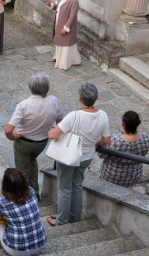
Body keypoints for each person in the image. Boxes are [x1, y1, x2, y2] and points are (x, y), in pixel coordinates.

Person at [46, 83, 110, 226]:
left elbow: (53, 135)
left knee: (64, 188)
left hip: (69, 158)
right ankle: (74, 218)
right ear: (96, 98)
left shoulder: (74, 116)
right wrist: (95, 143)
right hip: (86, 157)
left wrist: (51, 129)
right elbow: (106, 140)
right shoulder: (103, 115)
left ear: (80, 97)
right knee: (77, 186)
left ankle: (62, 220)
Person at [4, 74, 65, 196]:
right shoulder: (54, 101)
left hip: (24, 143)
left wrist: (13, 137)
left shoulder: (24, 105)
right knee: (32, 162)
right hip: (41, 142)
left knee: (22, 172)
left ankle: (25, 197)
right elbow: (60, 123)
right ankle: (35, 193)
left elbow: (8, 130)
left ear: (31, 88)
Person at [0, 168, 47, 256]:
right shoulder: (32, 191)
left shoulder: (3, 202)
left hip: (17, 251)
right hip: (40, 245)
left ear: (5, 185)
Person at [99, 111, 149, 187]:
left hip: (112, 176)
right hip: (134, 175)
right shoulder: (145, 138)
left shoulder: (115, 141)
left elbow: (101, 155)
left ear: (122, 124)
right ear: (138, 124)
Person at [46, 0, 81, 70]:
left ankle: (64, 62)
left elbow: (72, 16)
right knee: (59, 41)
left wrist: (65, 27)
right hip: (58, 22)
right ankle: (57, 57)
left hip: (65, 24)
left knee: (65, 43)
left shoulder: (74, 2)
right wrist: (51, 5)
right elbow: (58, 7)